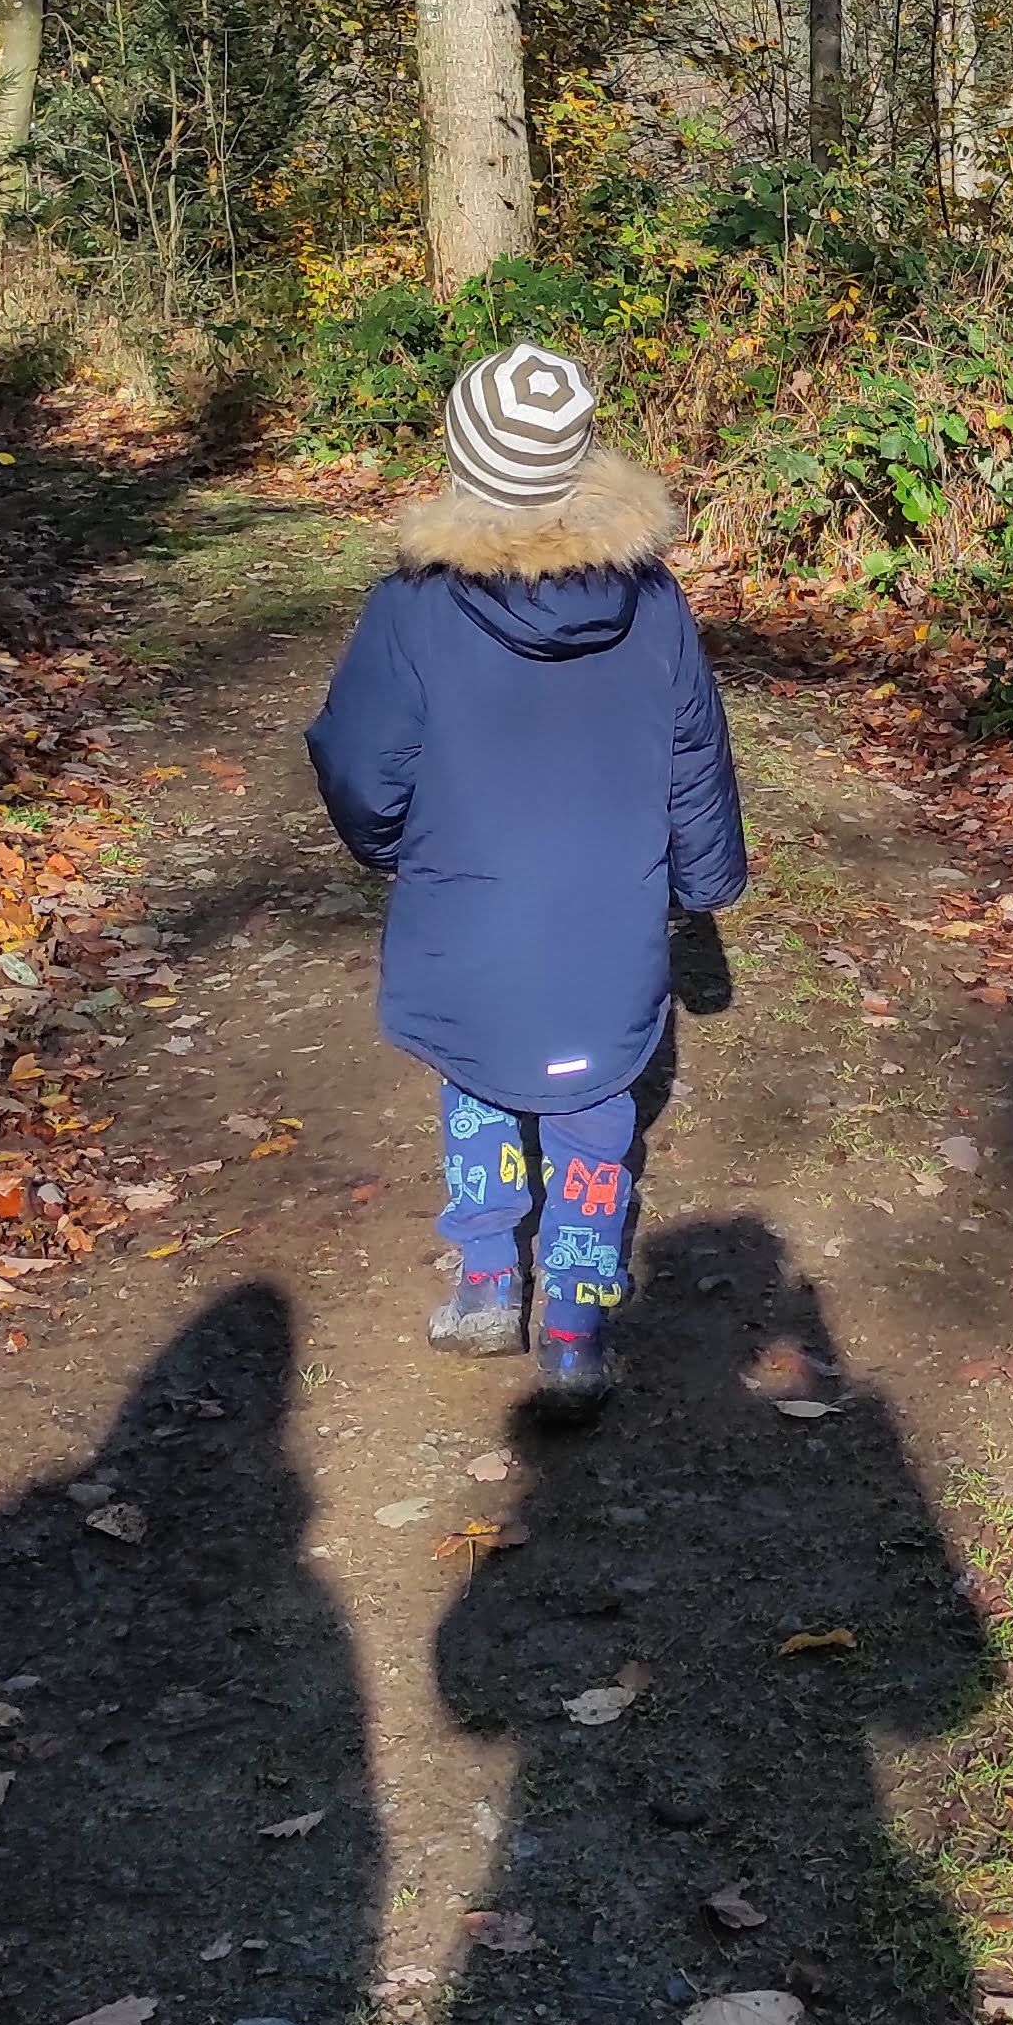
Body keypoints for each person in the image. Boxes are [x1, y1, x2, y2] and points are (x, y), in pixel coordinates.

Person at [306, 343, 748, 1414]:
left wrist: (389, 846)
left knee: (479, 1080)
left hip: (471, 907)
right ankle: (575, 1326)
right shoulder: (651, 600)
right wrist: (704, 880)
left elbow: (362, 762)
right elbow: (694, 751)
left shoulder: (411, 607)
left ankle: (486, 1284)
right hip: (611, 914)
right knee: (598, 1105)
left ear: (464, 461)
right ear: (575, 459)